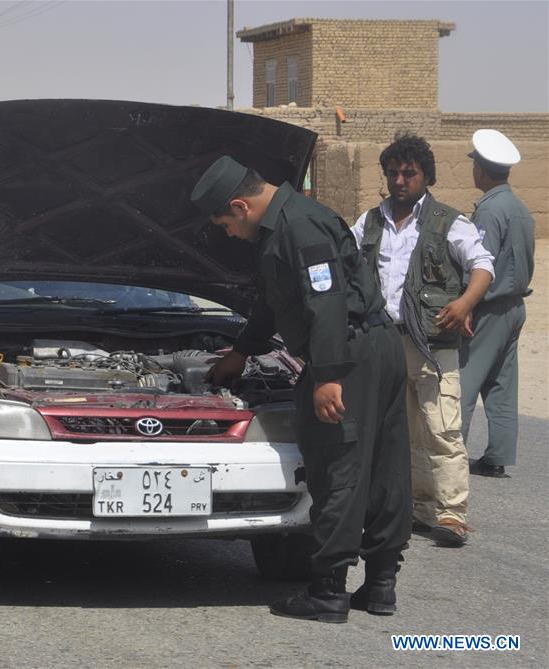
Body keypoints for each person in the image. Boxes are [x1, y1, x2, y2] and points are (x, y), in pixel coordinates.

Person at [196, 155, 411, 623]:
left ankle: (329, 591)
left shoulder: (300, 229)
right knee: (383, 466)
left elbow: (326, 299)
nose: (229, 235)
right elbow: (275, 303)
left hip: (349, 355)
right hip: (375, 346)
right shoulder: (289, 224)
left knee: (338, 467)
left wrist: (328, 374)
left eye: (226, 225)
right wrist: (241, 352)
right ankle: (380, 586)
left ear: (240, 205)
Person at [350, 133, 494, 548]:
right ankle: (417, 508)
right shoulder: (369, 222)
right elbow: (347, 260)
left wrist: (464, 304)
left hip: (432, 345)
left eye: (408, 173)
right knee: (395, 430)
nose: (399, 180)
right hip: (383, 341)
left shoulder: (450, 222)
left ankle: (451, 514)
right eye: (393, 173)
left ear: (425, 176)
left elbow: (482, 266)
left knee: (440, 428)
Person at [460, 129, 535, 478]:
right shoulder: (519, 208)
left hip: (489, 306)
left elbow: (481, 263)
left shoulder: (490, 210)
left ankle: (450, 453)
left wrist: (466, 304)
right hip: (515, 306)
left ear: (483, 170)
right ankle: (498, 455)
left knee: (464, 379)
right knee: (502, 384)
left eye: (475, 165)